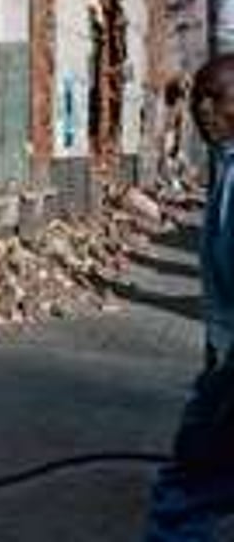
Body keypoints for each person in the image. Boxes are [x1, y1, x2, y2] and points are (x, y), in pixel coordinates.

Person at [145, 55, 234, 541]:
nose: (203, 108)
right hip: (223, 349)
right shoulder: (225, 165)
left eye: (217, 96)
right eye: (198, 96)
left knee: (189, 487)